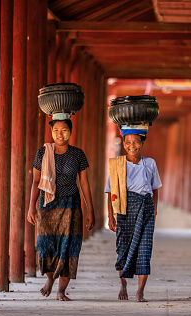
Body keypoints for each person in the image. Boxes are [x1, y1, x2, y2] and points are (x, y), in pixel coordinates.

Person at [27, 119, 95, 301]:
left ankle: (61, 290)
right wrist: (31, 207)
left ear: (70, 132)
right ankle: (50, 279)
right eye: (56, 130)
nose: (60, 133)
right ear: (51, 132)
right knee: (45, 245)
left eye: (64, 130)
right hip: (47, 205)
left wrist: (91, 210)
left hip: (71, 205)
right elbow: (35, 181)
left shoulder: (78, 154)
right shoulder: (43, 152)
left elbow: (84, 184)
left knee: (70, 247)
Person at [105, 124, 162, 302]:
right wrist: (110, 215)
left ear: (142, 144)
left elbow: (155, 188)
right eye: (128, 142)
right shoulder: (117, 165)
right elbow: (110, 191)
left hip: (145, 208)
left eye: (135, 142)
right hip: (124, 209)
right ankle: (123, 284)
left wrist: (154, 210)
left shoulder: (150, 163)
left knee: (145, 249)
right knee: (123, 248)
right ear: (123, 144)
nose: (132, 146)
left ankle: (140, 292)